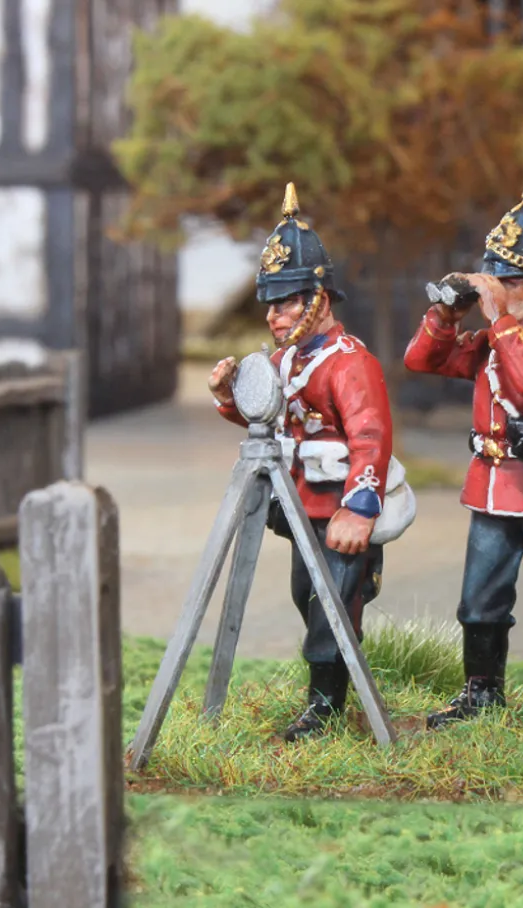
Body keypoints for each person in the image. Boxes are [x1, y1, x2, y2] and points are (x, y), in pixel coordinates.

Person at [207, 183, 410, 742]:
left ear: (318, 301)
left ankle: (325, 708)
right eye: (271, 305)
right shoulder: (285, 362)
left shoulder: (350, 364)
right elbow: (269, 424)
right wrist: (229, 399)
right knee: (308, 595)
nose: (274, 316)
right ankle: (334, 694)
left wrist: (360, 509)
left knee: (331, 607)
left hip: (341, 506)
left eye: (287, 303)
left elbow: (371, 439)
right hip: (302, 507)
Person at [403, 169, 523, 732]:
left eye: (506, 282)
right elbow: (422, 361)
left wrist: (500, 324)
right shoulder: (493, 345)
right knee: (479, 603)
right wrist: (446, 315)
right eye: (492, 279)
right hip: (491, 491)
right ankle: (481, 693)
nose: (494, 290)